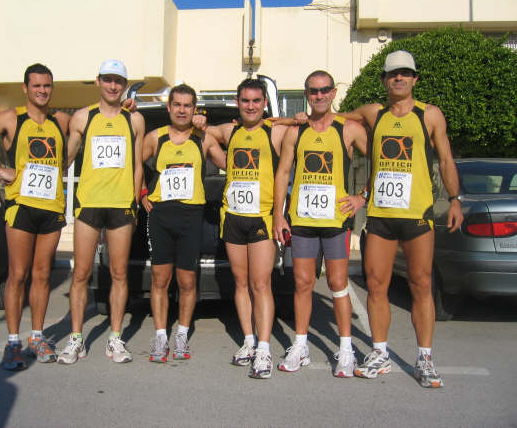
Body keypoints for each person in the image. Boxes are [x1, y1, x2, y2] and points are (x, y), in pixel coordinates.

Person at [342, 50, 463, 387]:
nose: (399, 78)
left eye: (405, 73)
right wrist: (276, 121)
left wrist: (455, 200)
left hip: (417, 216)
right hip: (380, 216)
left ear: (414, 79)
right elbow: (329, 116)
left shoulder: (430, 115)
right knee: (376, 285)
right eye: (393, 74)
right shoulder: (372, 114)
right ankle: (379, 354)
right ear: (384, 80)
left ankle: (424, 358)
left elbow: (447, 159)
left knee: (421, 285)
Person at [0, 63, 70, 370]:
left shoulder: (59, 121)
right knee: (18, 275)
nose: (42, 90)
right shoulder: (11, 118)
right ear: (25, 88)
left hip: (52, 208)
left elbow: (89, 123)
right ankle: (13, 343)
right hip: (21, 206)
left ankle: (37, 336)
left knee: (43, 275)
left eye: (47, 86)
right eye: (36, 85)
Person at [272, 70, 367, 377]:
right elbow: (283, 173)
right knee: (303, 283)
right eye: (314, 91)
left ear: (334, 92)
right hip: (302, 221)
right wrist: (278, 213)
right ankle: (300, 346)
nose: (320, 95)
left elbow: (381, 159)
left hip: (336, 220)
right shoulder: (296, 132)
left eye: (325, 90)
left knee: (338, 284)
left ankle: (347, 350)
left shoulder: (348, 128)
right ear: (306, 94)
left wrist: (362, 196)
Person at [197, 78, 288, 379]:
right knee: (240, 282)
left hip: (262, 218)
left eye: (256, 101)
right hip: (233, 217)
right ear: (238, 103)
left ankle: (264, 348)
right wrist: (199, 121)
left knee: (261, 284)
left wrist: (288, 117)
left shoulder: (275, 131)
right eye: (245, 101)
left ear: (264, 103)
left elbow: (308, 122)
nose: (250, 106)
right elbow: (201, 132)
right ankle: (248, 341)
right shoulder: (229, 130)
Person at [57, 60, 145, 365]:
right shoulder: (82, 117)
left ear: (124, 84)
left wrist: (134, 202)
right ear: (98, 81)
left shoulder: (134, 120)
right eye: (108, 80)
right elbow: (67, 158)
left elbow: (136, 166)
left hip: (121, 206)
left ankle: (115, 339)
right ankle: (76, 339)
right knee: (81, 273)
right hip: (89, 205)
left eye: (118, 81)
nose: (113, 86)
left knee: (119, 273)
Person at [140, 84, 225, 362]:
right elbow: (133, 163)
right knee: (160, 279)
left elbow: (232, 163)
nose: (182, 110)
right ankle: (161, 336)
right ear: (169, 107)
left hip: (191, 217)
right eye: (177, 104)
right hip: (161, 216)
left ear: (194, 109)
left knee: (187, 280)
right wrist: (140, 193)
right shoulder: (156, 138)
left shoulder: (204, 139)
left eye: (188, 106)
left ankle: (181, 336)